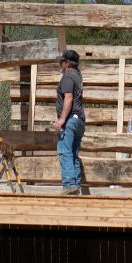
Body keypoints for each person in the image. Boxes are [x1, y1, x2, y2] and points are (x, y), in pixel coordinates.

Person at [53, 49, 84, 195]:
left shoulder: (67, 76)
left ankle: (69, 185)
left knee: (65, 151)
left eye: (61, 61)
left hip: (70, 121)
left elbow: (69, 97)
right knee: (73, 153)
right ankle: (75, 186)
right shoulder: (78, 76)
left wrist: (62, 119)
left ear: (67, 63)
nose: (60, 64)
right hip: (79, 121)